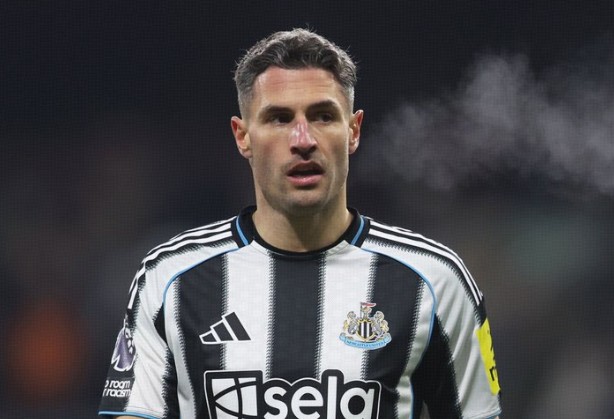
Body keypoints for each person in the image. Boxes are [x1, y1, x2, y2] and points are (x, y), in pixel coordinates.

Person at [98, 28, 502, 419]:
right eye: (279, 118)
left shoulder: (434, 281)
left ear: (353, 131)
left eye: (323, 116)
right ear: (243, 136)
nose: (303, 139)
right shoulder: (171, 278)